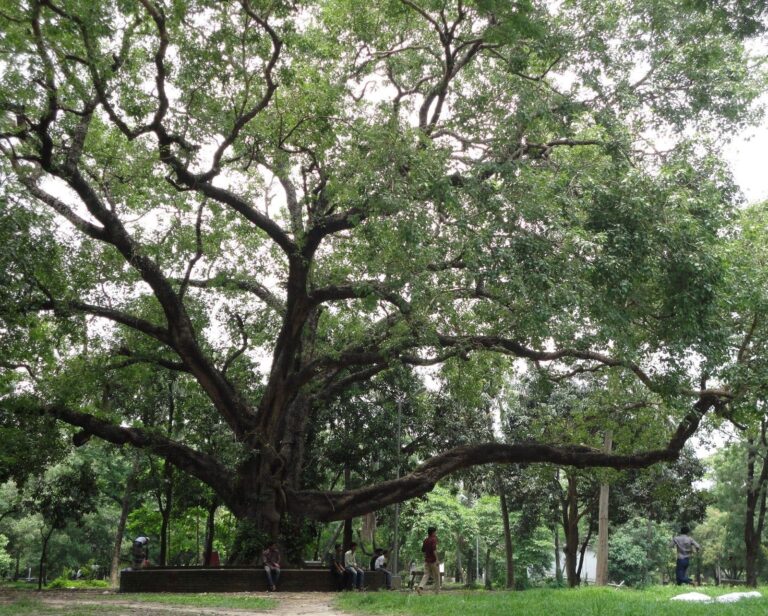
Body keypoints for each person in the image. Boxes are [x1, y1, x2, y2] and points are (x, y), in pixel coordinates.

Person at [416, 526, 440, 594]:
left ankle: (420, 587)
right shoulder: (433, 539)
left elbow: (423, 550)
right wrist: (437, 560)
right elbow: (434, 550)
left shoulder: (425, 540)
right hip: (433, 561)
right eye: (435, 532)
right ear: (433, 532)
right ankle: (437, 592)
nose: (436, 533)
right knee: (437, 576)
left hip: (427, 561)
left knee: (426, 575)